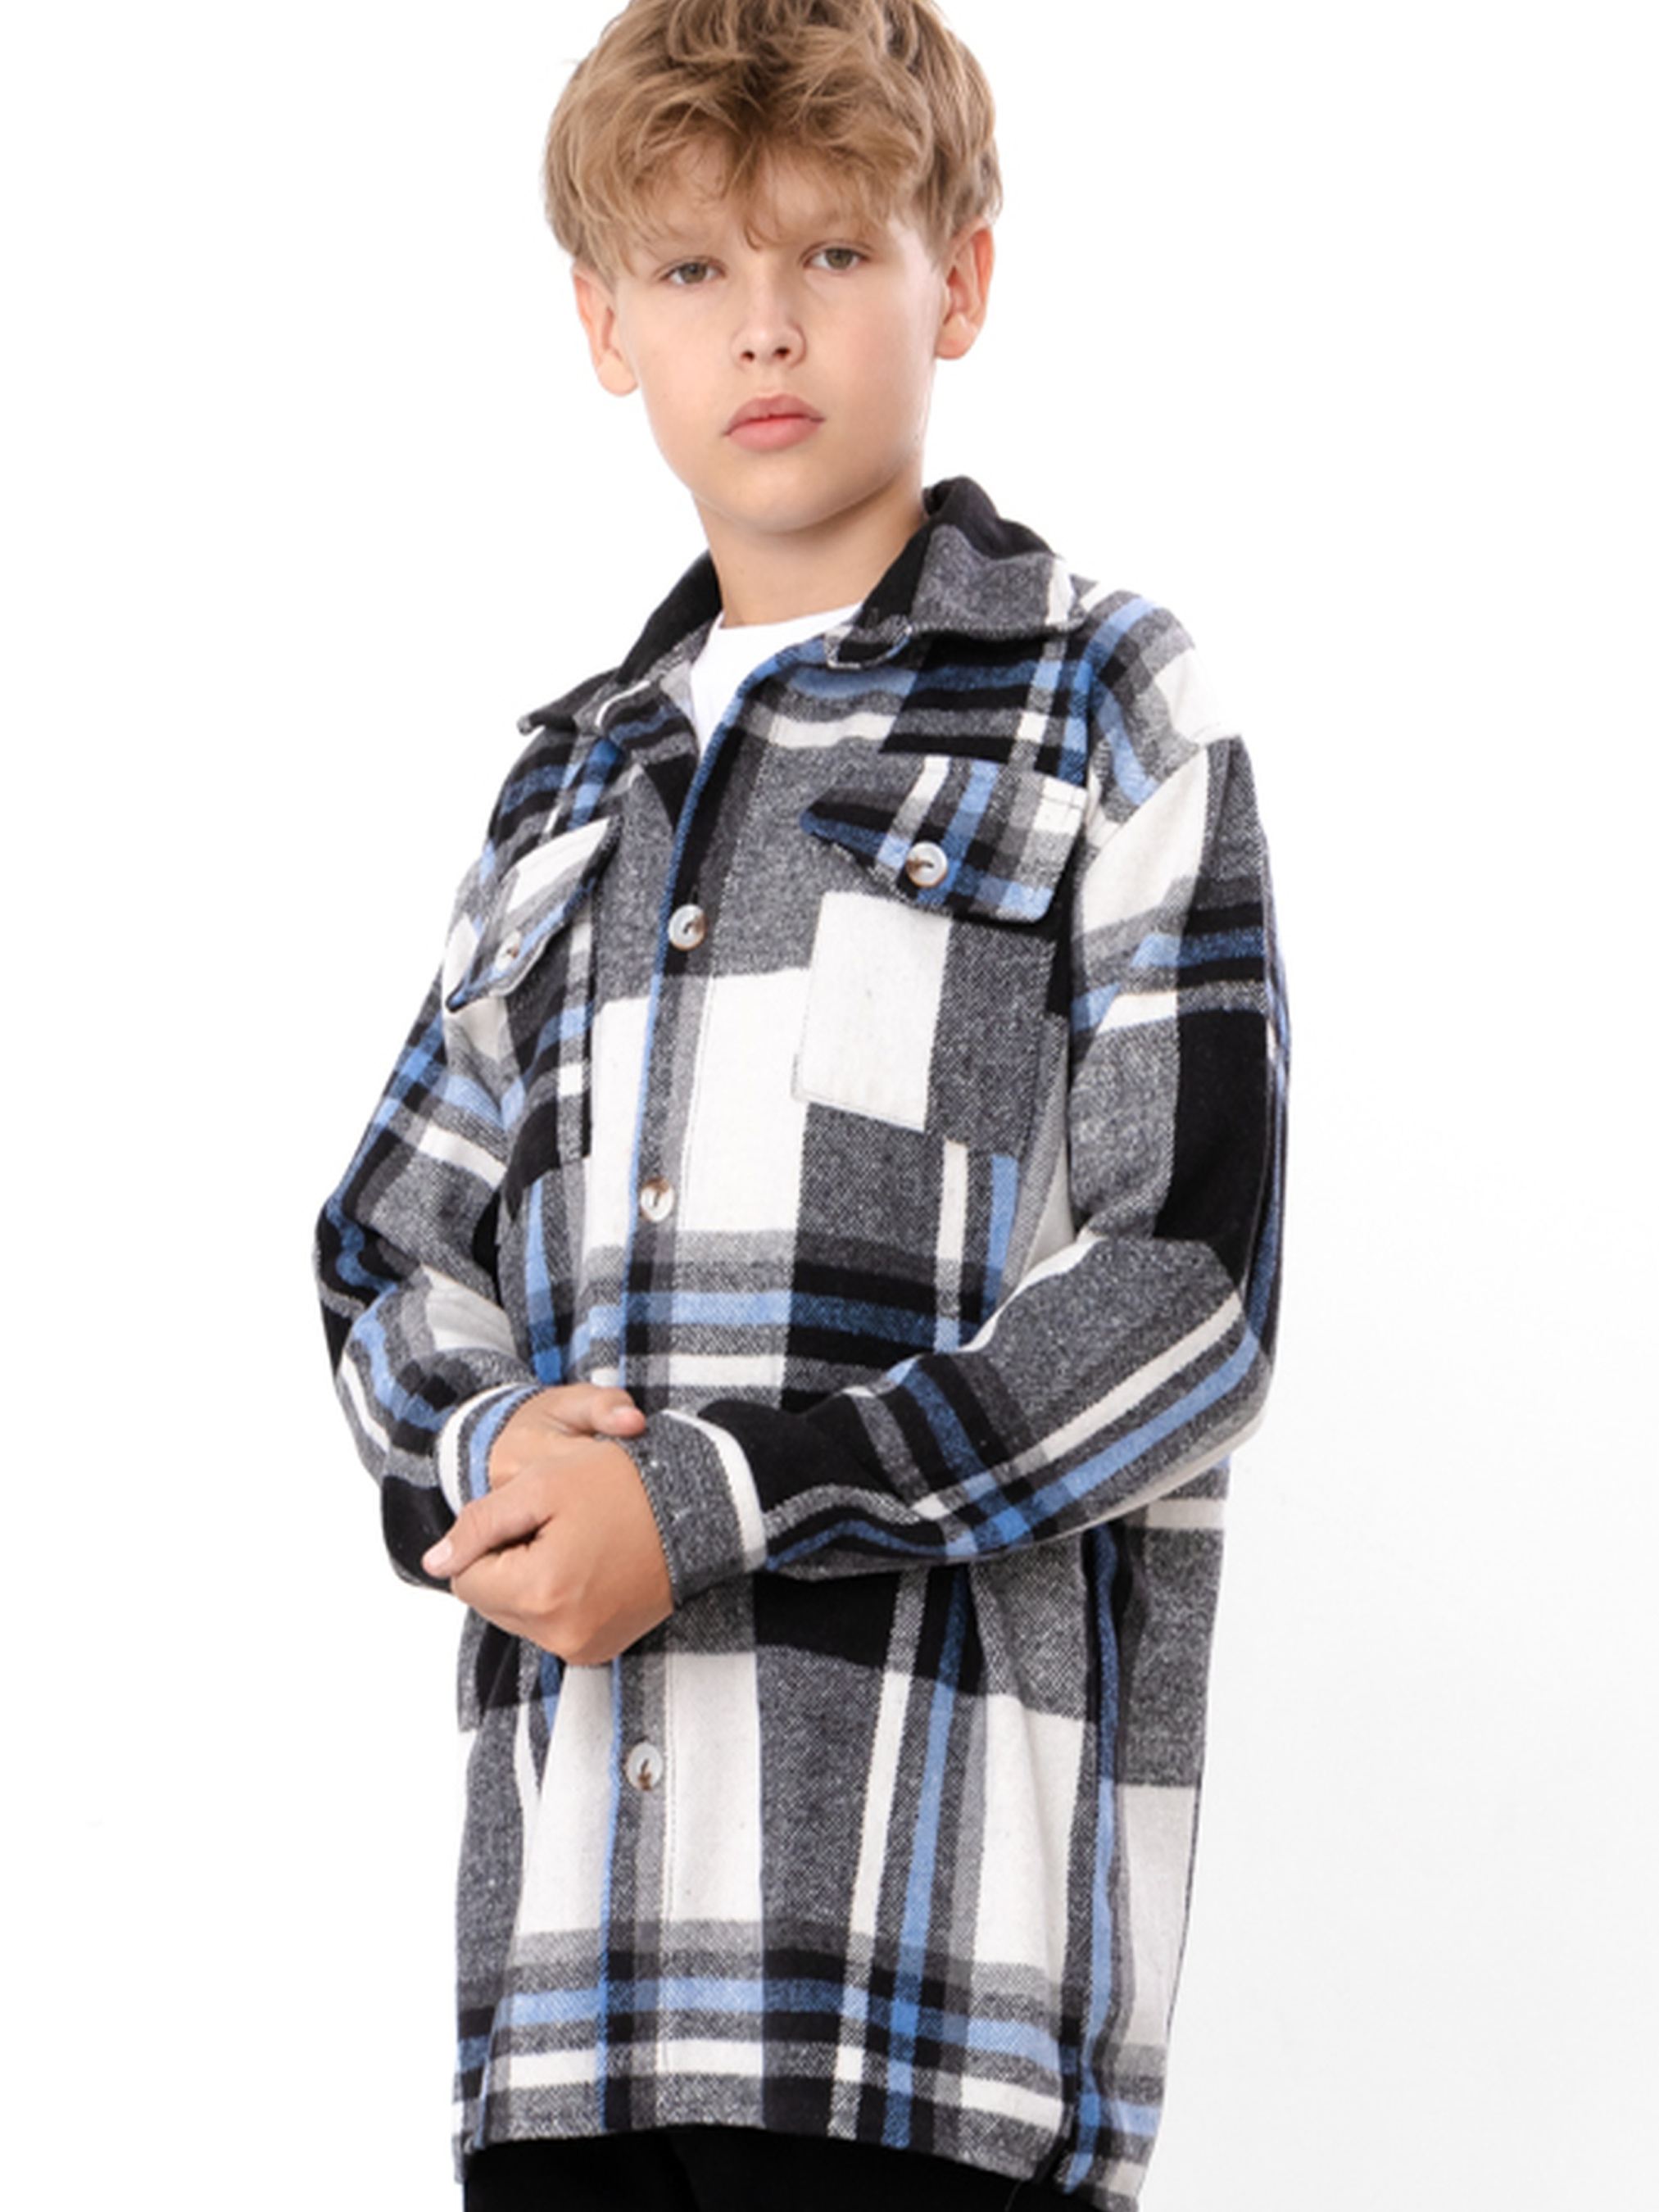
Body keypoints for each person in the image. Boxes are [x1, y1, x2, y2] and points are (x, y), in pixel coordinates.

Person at [315, 2, 1286, 2205]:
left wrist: (715, 1498)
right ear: (605, 325)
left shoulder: (1103, 704)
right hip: (573, 2009)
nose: (765, 325)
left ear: (959, 280)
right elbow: (388, 1246)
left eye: (834, 253)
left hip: (926, 2010)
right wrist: (488, 1442)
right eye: (691, 269)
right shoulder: (566, 785)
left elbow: (1183, 1298)